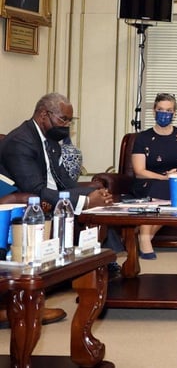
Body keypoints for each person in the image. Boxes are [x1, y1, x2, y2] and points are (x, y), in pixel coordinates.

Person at [0, 92, 117, 328]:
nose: (66, 126)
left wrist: (90, 193)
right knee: (88, 202)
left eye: (69, 121)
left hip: (47, 195)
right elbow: (34, 189)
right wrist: (84, 201)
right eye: (63, 120)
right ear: (44, 115)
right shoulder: (19, 141)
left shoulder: (50, 139)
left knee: (99, 198)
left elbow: (65, 181)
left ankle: (103, 265)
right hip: (23, 202)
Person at [130, 93, 177, 259]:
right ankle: (145, 240)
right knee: (162, 188)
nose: (164, 114)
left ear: (174, 113)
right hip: (148, 182)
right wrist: (164, 178)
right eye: (160, 110)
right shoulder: (142, 138)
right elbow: (139, 170)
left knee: (172, 189)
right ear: (154, 111)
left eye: (168, 110)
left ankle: (145, 236)